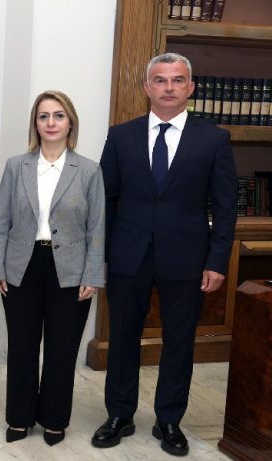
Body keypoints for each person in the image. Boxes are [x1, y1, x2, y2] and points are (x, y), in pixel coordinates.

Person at [92, 53, 237, 456]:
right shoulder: (121, 136)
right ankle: (119, 415)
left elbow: (225, 206)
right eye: (159, 80)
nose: (168, 87)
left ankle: (169, 420)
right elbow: (104, 199)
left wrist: (217, 260)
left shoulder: (214, 140)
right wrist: (100, 254)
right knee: (122, 337)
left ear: (190, 88)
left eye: (177, 80)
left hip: (187, 258)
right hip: (128, 254)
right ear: (147, 88)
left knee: (179, 341)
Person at [0, 91, 105, 446]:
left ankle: (54, 419)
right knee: (22, 346)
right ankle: (19, 417)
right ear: (35, 124)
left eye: (58, 115)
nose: (51, 123)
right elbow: (1, 221)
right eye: (43, 116)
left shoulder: (88, 170)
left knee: (62, 349)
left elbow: (97, 228)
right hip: (22, 266)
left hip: (70, 270)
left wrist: (92, 275)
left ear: (70, 123)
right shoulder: (16, 166)